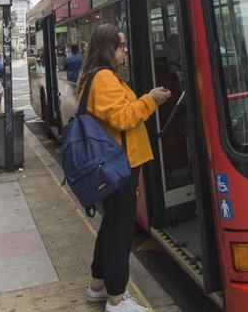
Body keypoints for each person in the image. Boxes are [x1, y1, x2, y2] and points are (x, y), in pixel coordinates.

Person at [79, 24, 170, 312]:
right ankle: (116, 298)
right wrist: (151, 100)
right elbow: (123, 117)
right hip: (119, 164)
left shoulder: (102, 77)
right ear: (107, 49)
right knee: (120, 229)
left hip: (118, 162)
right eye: (120, 45)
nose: (125, 50)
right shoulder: (104, 78)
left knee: (111, 225)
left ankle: (98, 284)